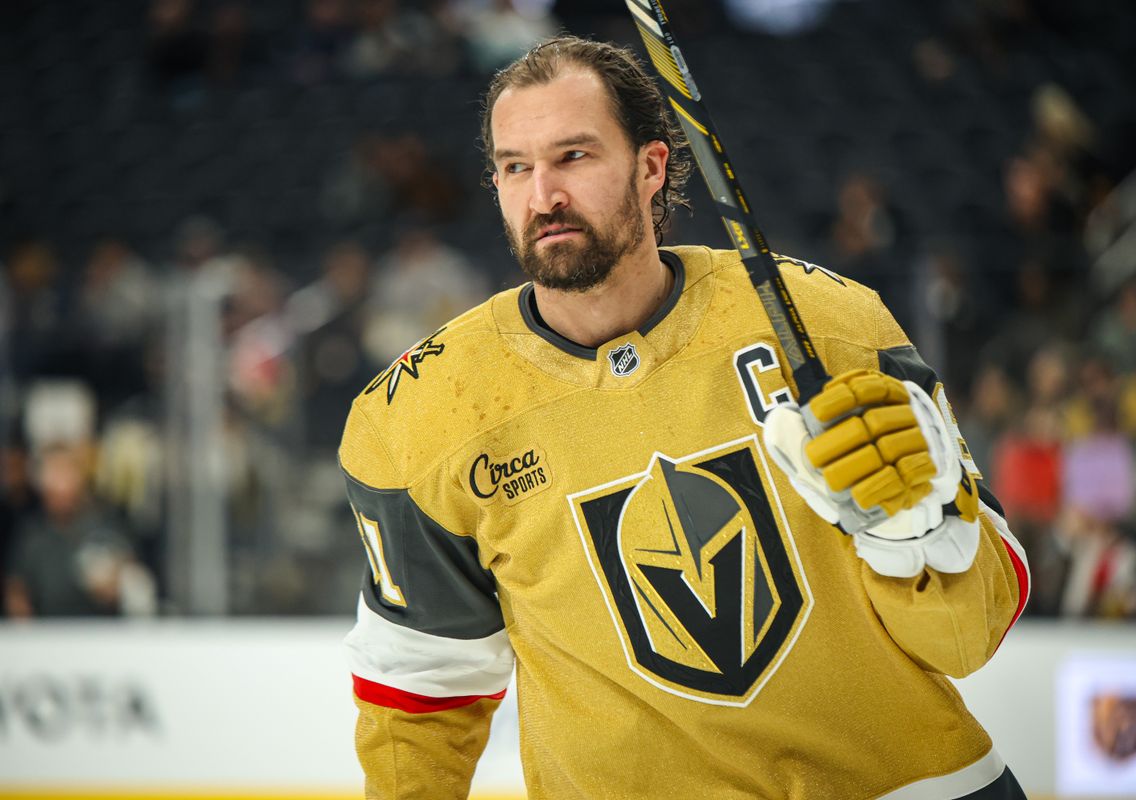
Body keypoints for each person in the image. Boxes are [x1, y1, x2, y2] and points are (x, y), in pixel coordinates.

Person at [338, 35, 1031, 799]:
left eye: (574, 156)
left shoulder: (830, 326)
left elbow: (971, 637)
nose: (543, 196)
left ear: (651, 167)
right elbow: (421, 701)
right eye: (515, 167)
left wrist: (924, 535)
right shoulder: (423, 416)